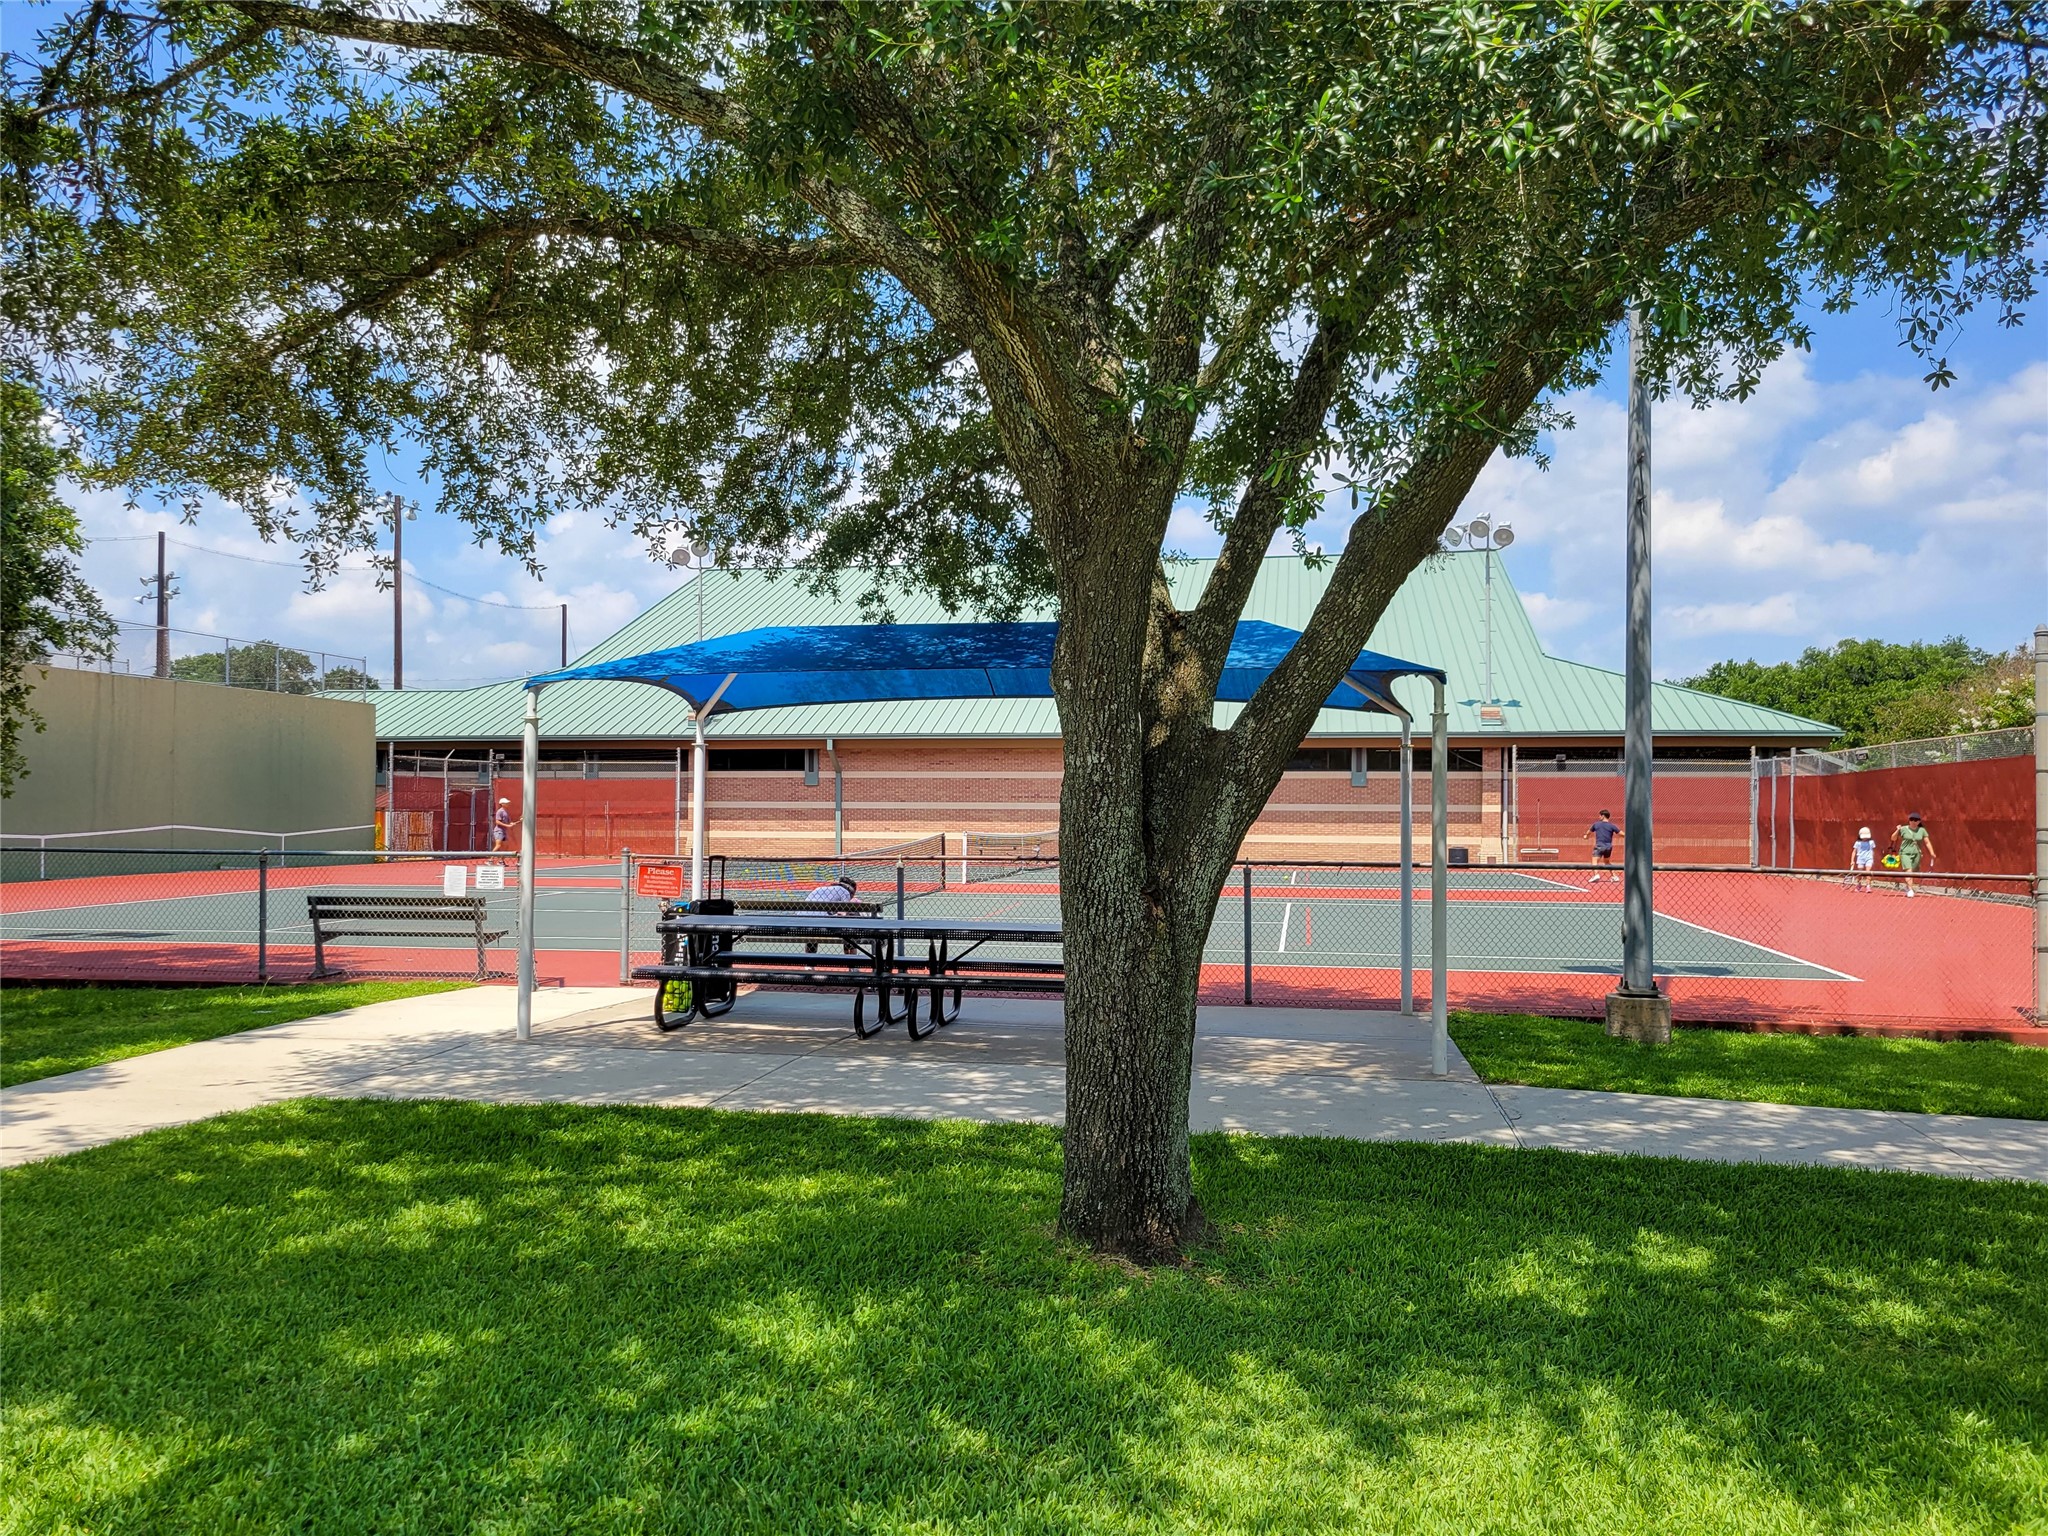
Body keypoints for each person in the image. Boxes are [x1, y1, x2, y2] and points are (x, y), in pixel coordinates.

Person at [803, 875, 857, 954]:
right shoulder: (845, 892)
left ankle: (809, 964)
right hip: (820, 922)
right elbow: (842, 914)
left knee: (814, 928)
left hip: (804, 921)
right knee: (849, 927)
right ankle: (852, 960)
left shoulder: (821, 889)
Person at [1889, 812, 1935, 897]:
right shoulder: (1903, 829)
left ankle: (1908, 885)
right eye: (1911, 820)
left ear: (1919, 821)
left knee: (1913, 871)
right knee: (1908, 870)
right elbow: (1893, 838)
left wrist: (1932, 853)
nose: (1913, 822)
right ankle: (1910, 889)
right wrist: (1897, 830)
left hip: (1916, 853)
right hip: (1905, 853)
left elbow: (1927, 842)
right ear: (1909, 821)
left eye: (1915, 820)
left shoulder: (1922, 830)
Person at [1586, 809, 1621, 884]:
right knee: (1607, 862)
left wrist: (1586, 836)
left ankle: (1596, 875)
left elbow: (1588, 832)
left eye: (1600, 815)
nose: (1599, 817)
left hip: (1599, 846)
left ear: (1603, 816)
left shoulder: (1596, 824)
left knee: (1594, 860)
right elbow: (1621, 833)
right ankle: (1614, 876)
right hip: (1608, 847)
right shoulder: (1612, 826)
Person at [1849, 825, 1877, 892]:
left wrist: (1872, 858)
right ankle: (1859, 884)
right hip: (1860, 859)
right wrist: (1852, 860)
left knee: (1868, 872)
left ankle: (1868, 886)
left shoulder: (1871, 842)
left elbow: (1873, 851)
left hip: (1869, 858)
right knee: (1860, 873)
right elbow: (1854, 852)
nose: (1865, 838)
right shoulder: (1857, 843)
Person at [490, 797, 513, 863]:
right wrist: (507, 825)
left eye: (507, 802)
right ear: (502, 804)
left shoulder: (506, 812)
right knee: (498, 845)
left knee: (505, 846)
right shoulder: (500, 811)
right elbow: (497, 822)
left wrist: (511, 823)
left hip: (504, 831)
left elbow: (508, 822)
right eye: (506, 803)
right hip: (499, 831)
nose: (508, 804)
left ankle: (501, 861)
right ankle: (490, 860)